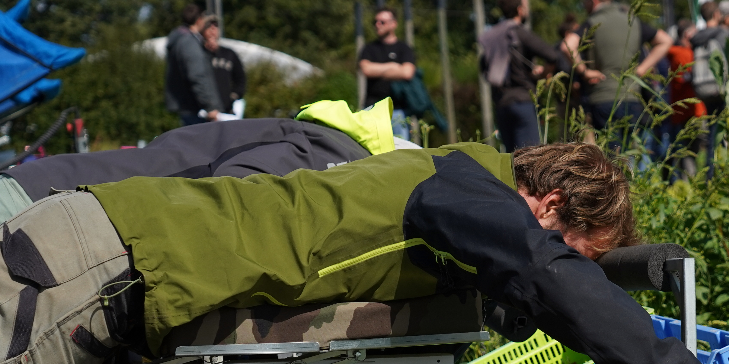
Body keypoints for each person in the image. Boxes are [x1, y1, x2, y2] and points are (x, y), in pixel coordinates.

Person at [0, 143, 729, 364]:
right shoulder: (468, 194)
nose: (567, 260)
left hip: (116, 243)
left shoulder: (451, 177)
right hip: (106, 259)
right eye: (577, 248)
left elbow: (531, 288)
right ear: (548, 205)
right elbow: (547, 276)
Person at [0, 101, 420, 223]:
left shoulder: (318, 135)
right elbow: (234, 189)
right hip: (40, 205)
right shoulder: (337, 152)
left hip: (46, 193)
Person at [566, 0, 672, 146]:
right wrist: (641, 69)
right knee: (629, 152)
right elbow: (665, 40)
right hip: (632, 96)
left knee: (608, 154)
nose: (583, 5)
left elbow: (568, 45)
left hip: (603, 97)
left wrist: (585, 72)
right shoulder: (633, 20)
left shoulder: (593, 22)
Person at [480, 0, 570, 151]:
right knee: (529, 157)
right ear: (519, 10)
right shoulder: (519, 33)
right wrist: (541, 74)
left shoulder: (495, 35)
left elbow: (484, 67)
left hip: (502, 104)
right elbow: (552, 56)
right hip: (523, 102)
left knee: (510, 158)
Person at [359, 7, 417, 141]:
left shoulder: (404, 48)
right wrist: (392, 66)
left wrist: (378, 70)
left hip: (398, 111)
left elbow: (407, 72)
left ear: (393, 24)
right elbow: (366, 69)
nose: (377, 25)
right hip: (372, 108)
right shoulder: (369, 48)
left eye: (382, 22)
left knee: (401, 149)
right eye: (375, 21)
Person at [164, 4, 220, 126]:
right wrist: (210, 106)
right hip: (192, 107)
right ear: (199, 20)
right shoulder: (189, 42)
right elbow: (197, 75)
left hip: (184, 106)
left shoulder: (180, 38)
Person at [692, 2, 729, 175]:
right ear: (716, 14)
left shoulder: (696, 37)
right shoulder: (722, 34)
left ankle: (709, 172)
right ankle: (717, 175)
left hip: (702, 88)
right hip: (719, 87)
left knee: (711, 131)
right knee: (722, 134)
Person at [666, 20, 707, 180]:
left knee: (686, 152)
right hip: (693, 110)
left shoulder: (673, 53)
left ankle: (688, 182)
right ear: (688, 34)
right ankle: (694, 182)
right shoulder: (685, 54)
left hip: (680, 111)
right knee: (694, 150)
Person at [202, 18, 246, 120]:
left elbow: (241, 79)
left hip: (225, 110)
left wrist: (233, 96)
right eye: (209, 26)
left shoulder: (229, 54)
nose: (212, 30)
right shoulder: (199, 53)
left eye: (215, 26)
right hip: (203, 111)